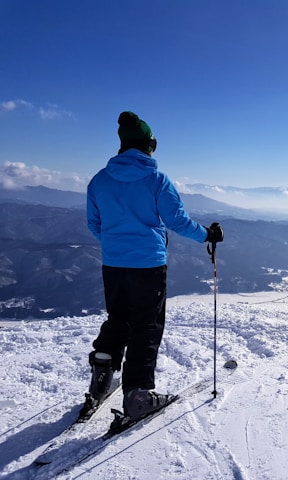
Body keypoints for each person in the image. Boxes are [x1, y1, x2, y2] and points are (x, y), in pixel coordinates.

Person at [85, 111, 223, 420]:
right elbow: (177, 221)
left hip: (113, 264)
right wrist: (208, 235)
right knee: (146, 325)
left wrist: (116, 244)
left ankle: (101, 377)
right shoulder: (156, 179)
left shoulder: (99, 180)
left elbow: (95, 224)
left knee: (118, 319)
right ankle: (138, 395)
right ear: (150, 145)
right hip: (147, 265)